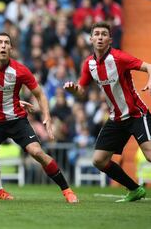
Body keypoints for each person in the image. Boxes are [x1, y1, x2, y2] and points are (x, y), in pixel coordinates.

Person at [0, 32, 78, 203]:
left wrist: (47, 117)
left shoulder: (19, 70)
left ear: (11, 48)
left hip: (17, 120)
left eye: (7, 42)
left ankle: (67, 190)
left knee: (37, 152)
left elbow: (40, 94)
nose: (3, 45)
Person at [64, 21, 150, 202]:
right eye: (97, 34)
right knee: (99, 160)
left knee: (149, 155)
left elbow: (148, 66)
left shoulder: (119, 58)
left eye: (104, 34)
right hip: (116, 119)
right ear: (91, 39)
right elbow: (81, 92)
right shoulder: (88, 64)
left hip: (136, 114)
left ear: (110, 39)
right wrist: (74, 91)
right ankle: (134, 189)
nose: (100, 37)